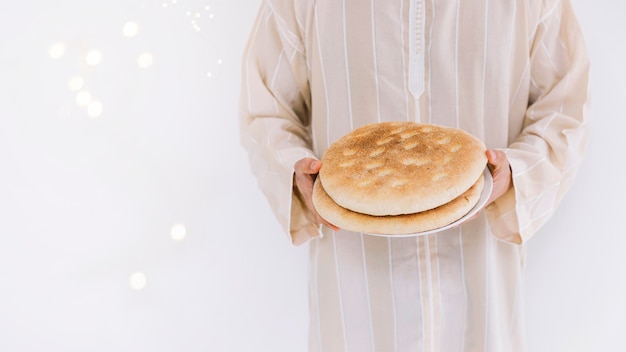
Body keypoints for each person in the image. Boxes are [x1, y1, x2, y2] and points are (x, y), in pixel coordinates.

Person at [239, 0, 589, 350]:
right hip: (354, 293)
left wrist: (516, 173)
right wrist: (294, 172)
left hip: (481, 282)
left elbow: (565, 106)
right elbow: (265, 110)